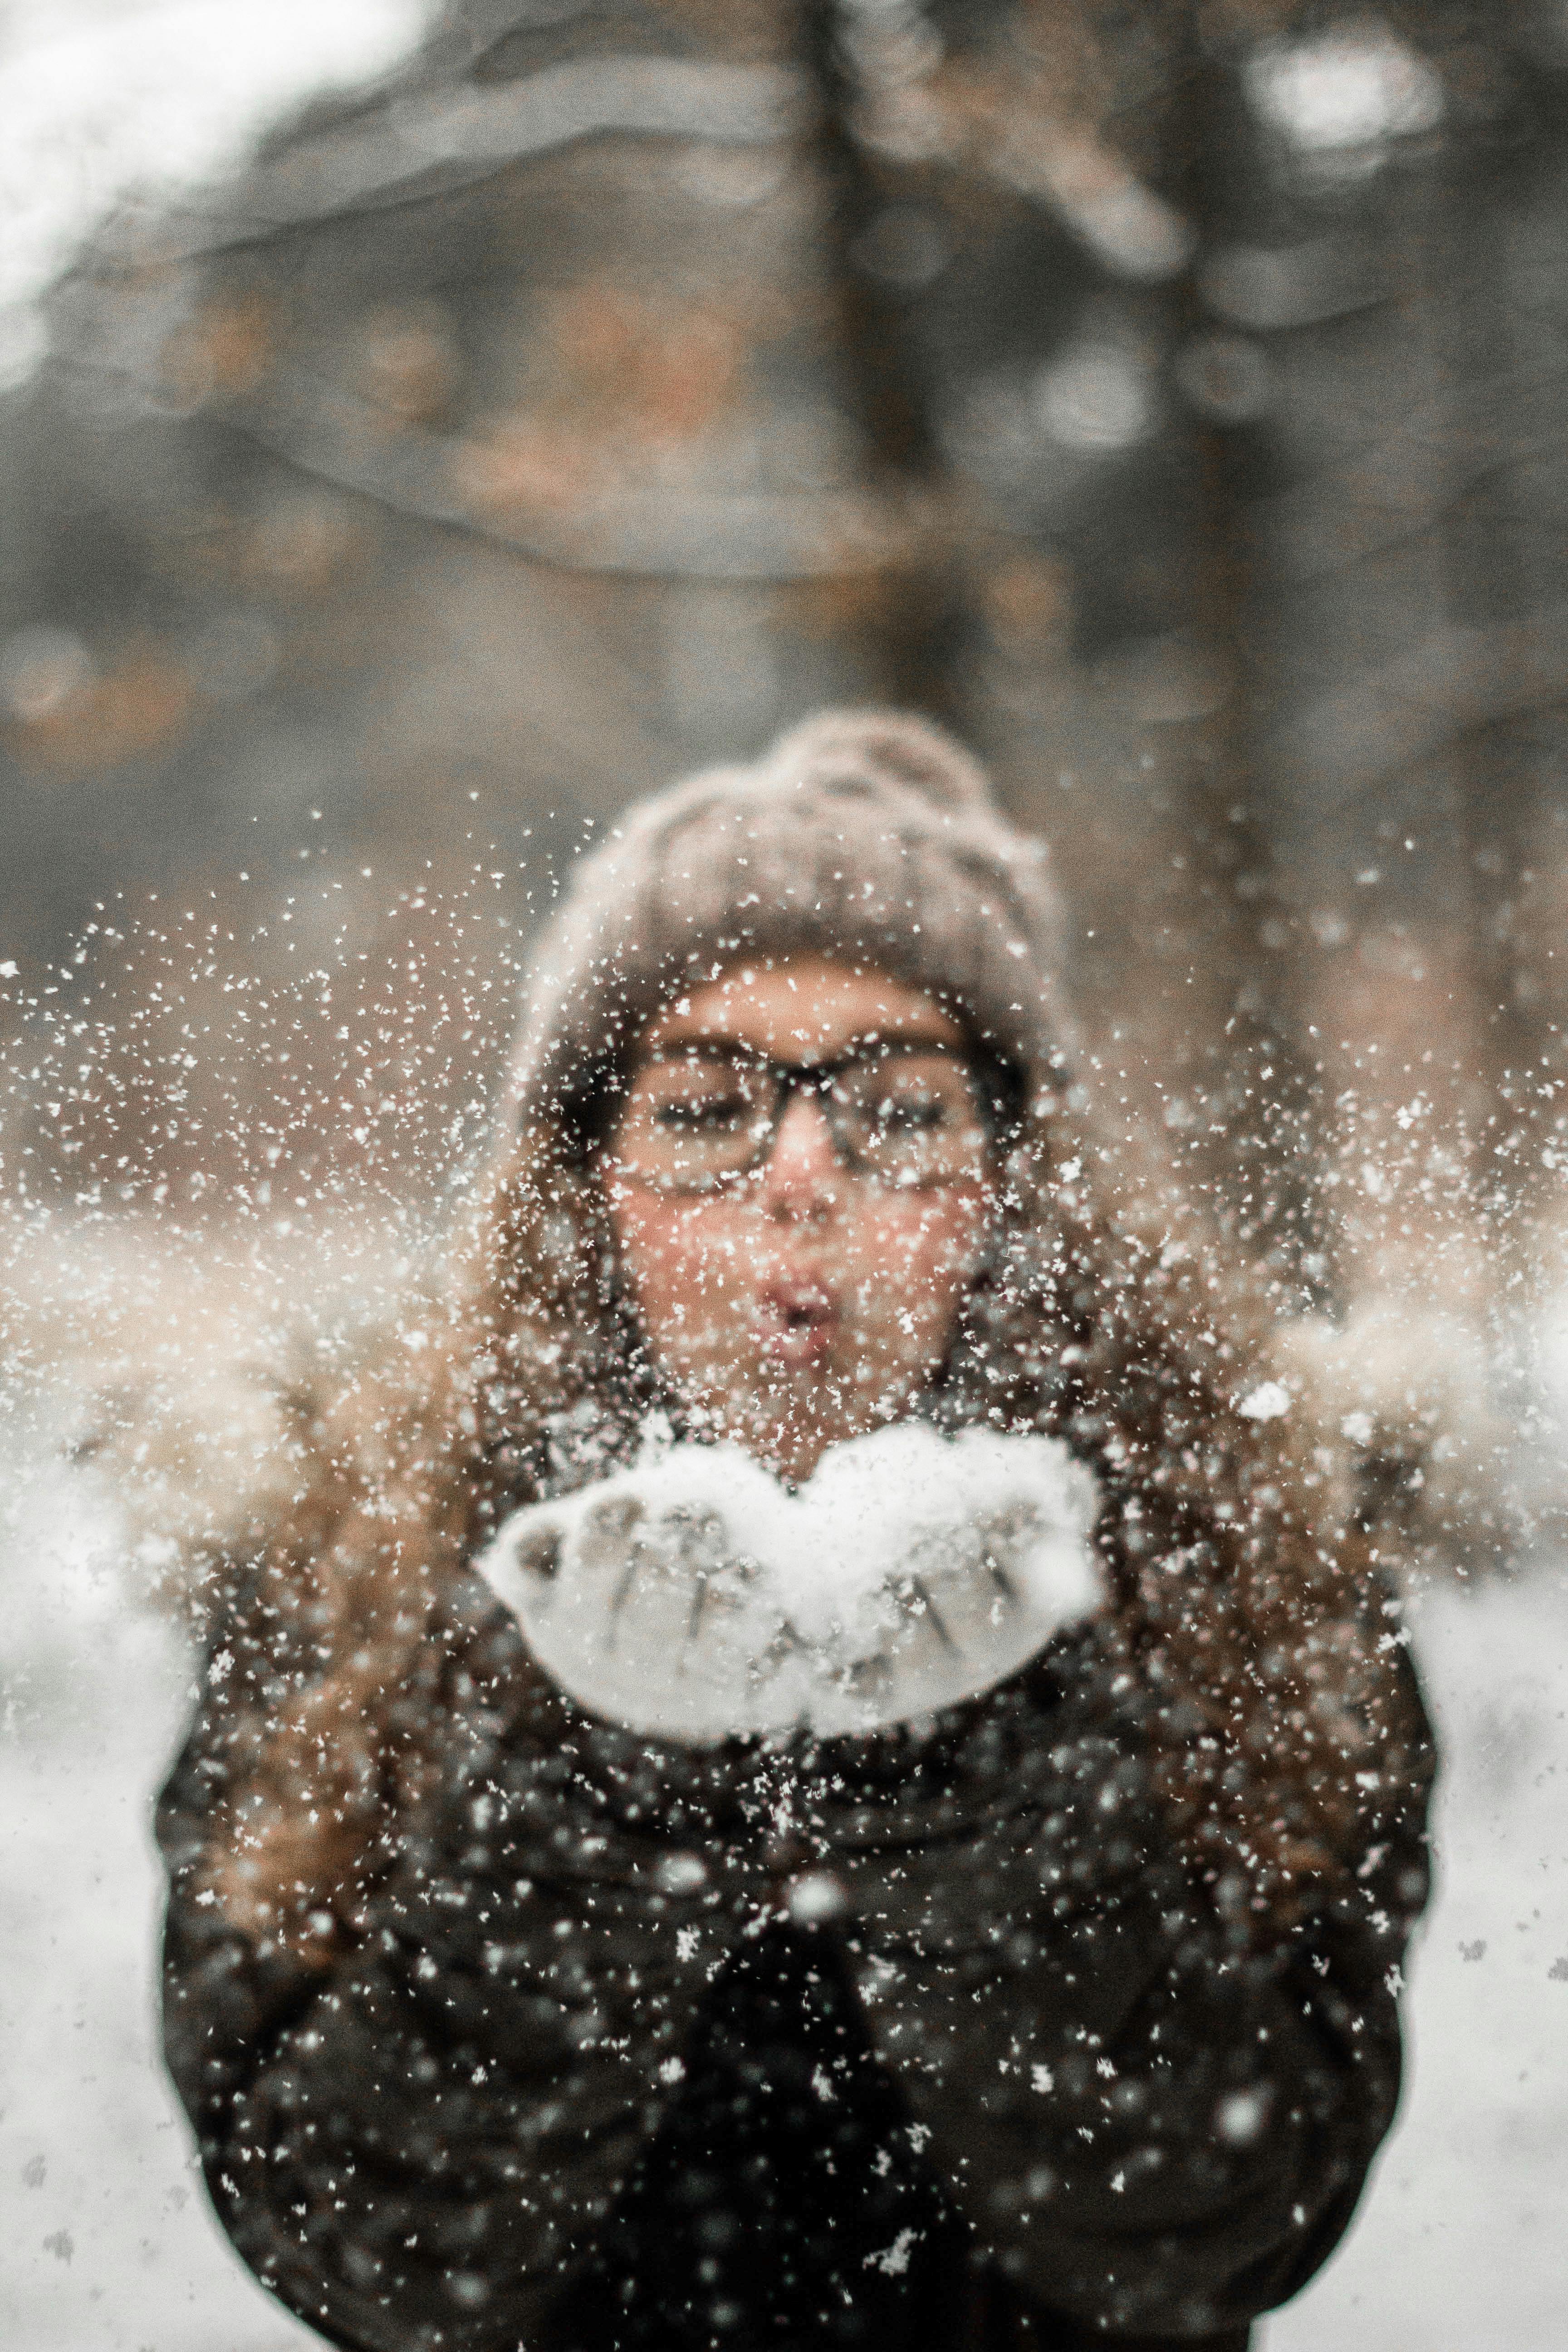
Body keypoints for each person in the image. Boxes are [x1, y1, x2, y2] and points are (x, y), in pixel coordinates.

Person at [154, 710, 1433, 2352]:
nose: (801, 1174)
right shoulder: (357, 1558)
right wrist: (601, 1800)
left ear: (1017, 1177)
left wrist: (979, 1781)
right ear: (583, 1177)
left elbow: (1227, 2220)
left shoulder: (1248, 1548)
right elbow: (363, 2249)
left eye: (896, 1107)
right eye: (705, 1109)